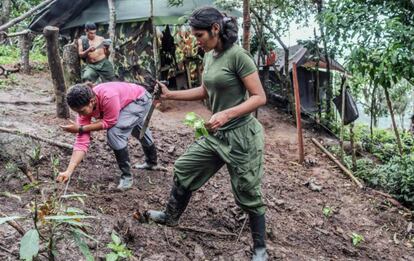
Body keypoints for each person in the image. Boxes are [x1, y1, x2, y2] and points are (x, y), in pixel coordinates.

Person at [146, 7, 268, 261]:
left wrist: (226, 114)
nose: (196, 40)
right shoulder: (210, 55)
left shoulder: (238, 56)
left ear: (215, 29)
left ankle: (260, 248)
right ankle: (170, 217)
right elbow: (205, 90)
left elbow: (259, 97)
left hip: (241, 135)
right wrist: (171, 95)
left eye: (199, 35)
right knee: (184, 168)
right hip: (216, 135)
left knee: (248, 191)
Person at [56, 81, 159, 189]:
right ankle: (151, 162)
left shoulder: (108, 96)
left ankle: (127, 176)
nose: (80, 115)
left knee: (115, 132)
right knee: (136, 129)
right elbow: (82, 140)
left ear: (92, 101)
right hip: (125, 102)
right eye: (77, 112)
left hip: (140, 100)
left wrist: (81, 128)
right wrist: (68, 171)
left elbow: (110, 122)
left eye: (82, 111)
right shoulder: (84, 107)